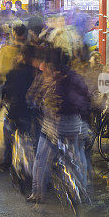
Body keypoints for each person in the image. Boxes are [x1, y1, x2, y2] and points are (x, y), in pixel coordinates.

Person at [28, 48, 91, 204]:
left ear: (50, 65)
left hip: (53, 127)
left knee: (41, 159)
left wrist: (36, 106)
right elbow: (86, 99)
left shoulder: (48, 79)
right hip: (74, 125)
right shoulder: (76, 77)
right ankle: (81, 189)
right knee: (78, 156)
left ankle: (37, 193)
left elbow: (33, 99)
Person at [0, 46, 36, 170]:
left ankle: (7, 162)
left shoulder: (12, 73)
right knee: (30, 138)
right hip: (28, 112)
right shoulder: (34, 73)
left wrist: (0, 104)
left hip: (14, 112)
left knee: (8, 135)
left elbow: (5, 91)